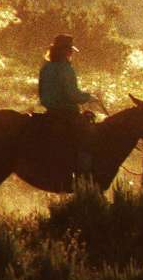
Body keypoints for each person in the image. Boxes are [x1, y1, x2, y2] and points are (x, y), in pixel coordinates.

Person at [37, 34, 98, 176]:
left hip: (50, 112)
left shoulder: (46, 67)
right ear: (64, 51)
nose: (71, 53)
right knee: (89, 137)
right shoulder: (66, 69)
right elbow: (72, 94)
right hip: (66, 113)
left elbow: (42, 93)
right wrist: (89, 97)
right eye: (69, 49)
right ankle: (84, 175)